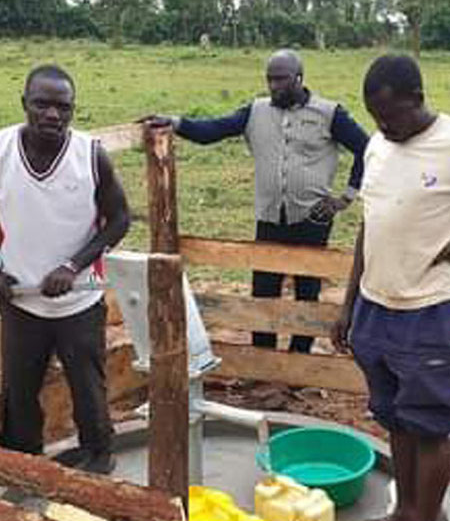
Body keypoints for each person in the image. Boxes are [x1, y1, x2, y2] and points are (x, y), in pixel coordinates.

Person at [142, 49, 368, 353]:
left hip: (313, 217)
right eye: (270, 79)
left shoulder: (329, 113)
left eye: (281, 80)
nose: (274, 86)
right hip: (270, 217)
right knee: (263, 291)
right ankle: (263, 359)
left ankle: (299, 361)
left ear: (299, 78)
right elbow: (213, 131)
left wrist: (346, 197)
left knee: (307, 291)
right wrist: (176, 122)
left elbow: (366, 148)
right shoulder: (255, 111)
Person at [331, 55, 450, 521]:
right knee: (396, 417)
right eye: (375, 117)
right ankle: (404, 512)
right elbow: (371, 222)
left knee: (430, 426)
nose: (382, 127)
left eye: (389, 116)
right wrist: (349, 300)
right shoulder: (380, 144)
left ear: (416, 98)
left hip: (429, 310)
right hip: (375, 308)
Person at [0, 64, 130, 474]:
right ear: (25, 104)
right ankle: (26, 465)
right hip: (21, 300)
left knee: (88, 388)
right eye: (42, 105)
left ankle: (98, 458)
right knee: (20, 392)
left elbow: (120, 219)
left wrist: (73, 266)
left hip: (80, 299)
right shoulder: (1, 151)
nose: (52, 115)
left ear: (73, 110)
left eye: (63, 107)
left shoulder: (91, 157)